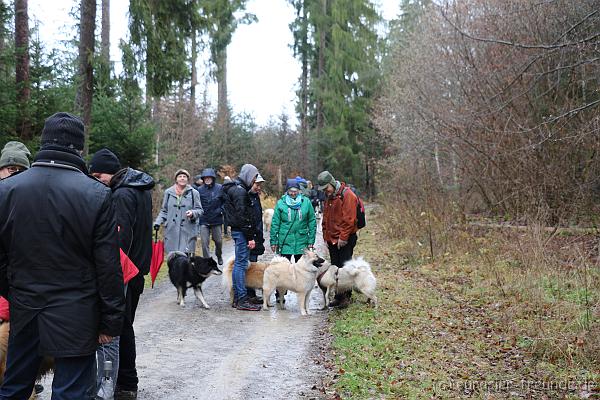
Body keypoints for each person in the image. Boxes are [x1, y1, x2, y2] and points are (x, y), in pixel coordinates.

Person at [0, 112, 125, 399]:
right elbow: (108, 266)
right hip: (77, 314)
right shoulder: (96, 193)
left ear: (44, 142)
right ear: (79, 148)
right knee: (71, 393)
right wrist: (110, 322)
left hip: (26, 307)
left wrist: (15, 290)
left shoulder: (6, 190)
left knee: (14, 388)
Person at [89, 148, 155, 400]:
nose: (96, 181)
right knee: (125, 325)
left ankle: (125, 383)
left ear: (110, 172)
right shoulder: (138, 188)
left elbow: (119, 239)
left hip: (125, 273)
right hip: (137, 270)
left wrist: (110, 273)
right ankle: (125, 382)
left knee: (119, 327)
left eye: (98, 175)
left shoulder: (122, 194)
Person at [317, 170, 359, 309]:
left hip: (344, 238)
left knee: (345, 267)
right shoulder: (328, 196)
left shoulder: (348, 195)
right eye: (323, 189)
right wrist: (325, 235)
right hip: (332, 238)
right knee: (335, 267)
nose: (325, 191)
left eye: (326, 188)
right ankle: (338, 296)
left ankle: (346, 297)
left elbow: (349, 219)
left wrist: (343, 237)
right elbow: (326, 217)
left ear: (331, 183)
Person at [222, 164, 262, 311]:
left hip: (239, 231)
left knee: (240, 263)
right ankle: (241, 299)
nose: (254, 181)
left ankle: (238, 298)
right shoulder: (240, 192)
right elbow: (243, 216)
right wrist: (250, 237)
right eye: (253, 178)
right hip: (241, 232)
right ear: (248, 176)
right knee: (240, 264)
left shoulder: (238, 188)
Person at [154, 169, 203, 256]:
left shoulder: (194, 193)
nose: (182, 178)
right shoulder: (168, 192)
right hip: (171, 231)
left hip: (188, 231)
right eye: (180, 176)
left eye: (184, 177)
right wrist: (157, 222)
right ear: (176, 179)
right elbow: (164, 210)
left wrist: (192, 213)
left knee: (186, 259)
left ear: (187, 179)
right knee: (172, 258)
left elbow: (200, 210)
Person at [270, 179, 316, 263]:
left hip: (302, 241)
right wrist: (273, 241)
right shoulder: (280, 203)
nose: (293, 193)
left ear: (299, 190)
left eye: (295, 191)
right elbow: (275, 223)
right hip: (285, 241)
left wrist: (311, 240)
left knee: (302, 270)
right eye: (291, 191)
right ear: (287, 191)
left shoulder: (306, 202)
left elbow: (312, 221)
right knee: (284, 269)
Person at [197, 168, 225, 265]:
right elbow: (196, 204)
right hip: (204, 219)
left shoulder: (220, 188)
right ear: (203, 179)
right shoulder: (199, 190)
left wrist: (221, 210)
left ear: (213, 178)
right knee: (204, 243)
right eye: (205, 178)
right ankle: (207, 262)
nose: (207, 180)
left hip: (216, 219)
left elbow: (225, 202)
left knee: (218, 241)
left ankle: (219, 255)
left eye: (209, 178)